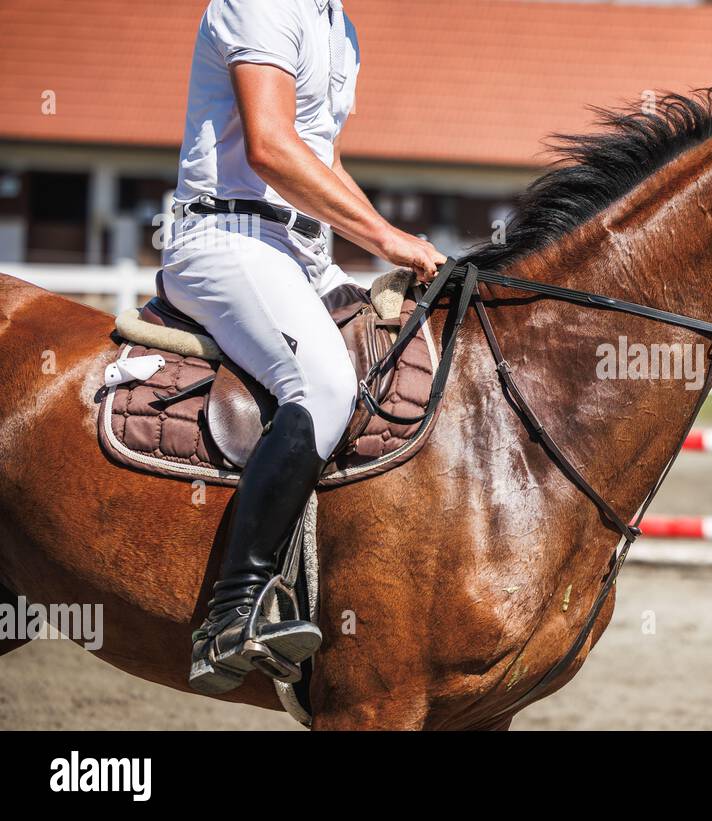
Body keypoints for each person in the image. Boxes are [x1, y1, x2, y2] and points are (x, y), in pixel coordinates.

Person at [162, 0, 445, 694]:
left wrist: (390, 236)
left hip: (303, 253)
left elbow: (324, 161)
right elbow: (269, 145)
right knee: (322, 384)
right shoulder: (262, 2)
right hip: (226, 237)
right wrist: (385, 238)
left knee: (406, 345)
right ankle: (233, 611)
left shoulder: (340, 28)